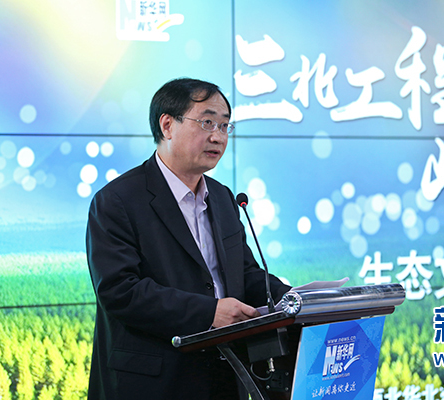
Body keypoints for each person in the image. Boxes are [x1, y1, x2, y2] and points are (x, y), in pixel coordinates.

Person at [86, 78, 291, 399]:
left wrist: (293, 300)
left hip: (225, 377)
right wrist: (209, 312)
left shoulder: (223, 197)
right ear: (167, 125)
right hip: (154, 382)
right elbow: (120, 291)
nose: (218, 136)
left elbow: (246, 274)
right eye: (207, 122)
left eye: (224, 126)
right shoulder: (118, 200)